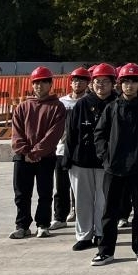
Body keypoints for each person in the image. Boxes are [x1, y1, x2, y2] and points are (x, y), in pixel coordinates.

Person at [90, 63, 138, 265]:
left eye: (134, 82)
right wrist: (105, 156)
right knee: (109, 212)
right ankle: (105, 251)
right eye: (126, 82)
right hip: (114, 167)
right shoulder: (112, 107)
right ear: (120, 84)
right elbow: (99, 134)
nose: (129, 86)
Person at [63, 63, 117, 251]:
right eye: (97, 81)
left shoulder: (117, 103)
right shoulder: (82, 104)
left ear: (113, 83)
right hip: (81, 160)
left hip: (107, 162)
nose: (101, 85)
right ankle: (84, 235)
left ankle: (101, 233)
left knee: (104, 201)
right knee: (82, 200)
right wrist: (67, 158)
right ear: (92, 84)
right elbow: (71, 133)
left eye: (105, 81)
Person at [9, 67, 66, 240]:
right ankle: (22, 226)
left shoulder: (57, 107)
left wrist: (36, 152)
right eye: (36, 83)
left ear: (50, 84)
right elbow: (16, 132)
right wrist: (25, 151)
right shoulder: (23, 106)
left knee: (45, 193)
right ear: (32, 85)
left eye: (43, 82)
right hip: (23, 157)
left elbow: (54, 134)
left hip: (45, 157)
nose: (39, 86)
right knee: (21, 194)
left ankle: (43, 224)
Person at [52, 67, 89, 229]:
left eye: (82, 80)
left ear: (87, 83)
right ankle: (60, 217)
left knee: (80, 187)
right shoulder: (62, 102)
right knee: (61, 185)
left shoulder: (90, 101)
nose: (78, 83)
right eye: (75, 80)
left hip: (81, 150)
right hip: (62, 149)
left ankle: (80, 215)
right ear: (71, 83)